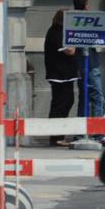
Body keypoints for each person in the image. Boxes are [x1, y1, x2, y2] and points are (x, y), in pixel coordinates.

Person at [43, 9, 77, 147]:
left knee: (67, 102)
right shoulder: (56, 32)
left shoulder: (59, 31)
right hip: (59, 75)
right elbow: (70, 50)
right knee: (60, 104)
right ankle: (56, 137)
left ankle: (58, 135)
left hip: (65, 75)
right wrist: (76, 42)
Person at [72, 0, 104, 131]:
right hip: (90, 65)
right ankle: (97, 132)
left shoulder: (71, 21)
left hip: (82, 65)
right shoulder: (86, 20)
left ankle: (81, 132)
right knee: (97, 97)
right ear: (86, 5)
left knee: (84, 98)